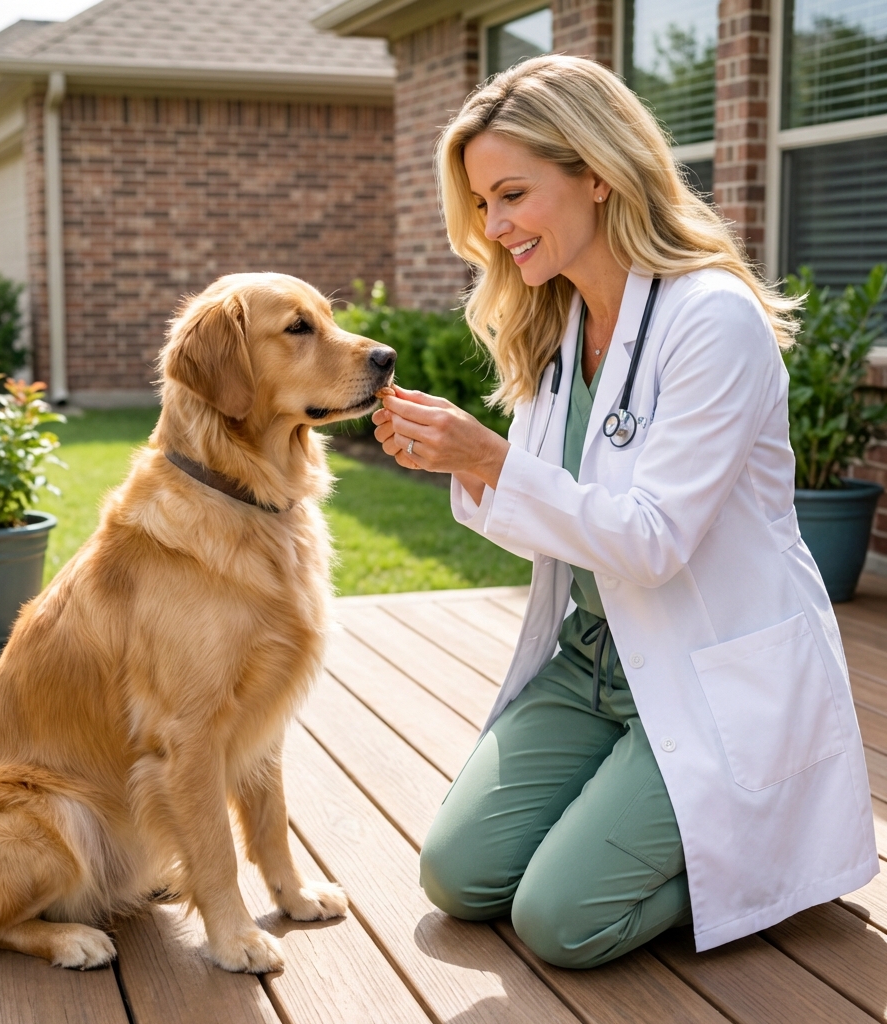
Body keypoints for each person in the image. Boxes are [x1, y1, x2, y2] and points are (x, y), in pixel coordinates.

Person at [372, 54, 877, 969]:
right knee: (458, 876)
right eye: (484, 204)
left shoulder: (710, 319)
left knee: (560, 922)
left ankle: (772, 864)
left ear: (596, 173)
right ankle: (652, 826)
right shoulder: (559, 326)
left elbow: (651, 542)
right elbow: (543, 517)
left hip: (707, 669)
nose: (496, 228)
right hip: (594, 664)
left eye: (514, 194)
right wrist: (467, 466)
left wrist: (489, 458)